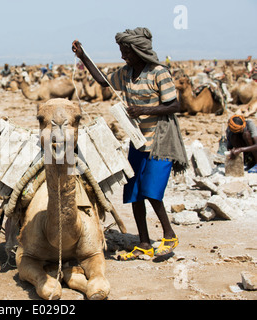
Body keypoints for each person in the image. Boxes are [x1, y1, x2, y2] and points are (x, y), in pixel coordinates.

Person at [72, 27, 188, 261]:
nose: (123, 56)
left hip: (160, 141)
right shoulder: (125, 73)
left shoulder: (159, 73)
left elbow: (175, 106)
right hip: (138, 141)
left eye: (126, 51)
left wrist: (144, 109)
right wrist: (83, 56)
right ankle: (144, 242)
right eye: (121, 51)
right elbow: (102, 81)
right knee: (134, 192)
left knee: (151, 191)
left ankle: (169, 235)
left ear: (137, 50)